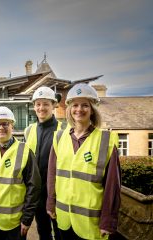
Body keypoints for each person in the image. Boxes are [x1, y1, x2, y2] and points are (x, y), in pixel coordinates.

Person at [46, 83, 121, 240]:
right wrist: (50, 203)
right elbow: (52, 175)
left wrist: (108, 220)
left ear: (92, 110)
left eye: (85, 105)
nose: (79, 109)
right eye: (75, 105)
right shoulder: (59, 138)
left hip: (90, 222)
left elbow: (112, 185)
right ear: (69, 109)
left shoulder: (106, 141)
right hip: (64, 218)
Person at [0, 106, 41, 240]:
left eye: (5, 124)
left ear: (12, 126)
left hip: (14, 222)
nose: (1, 128)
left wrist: (27, 219)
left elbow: (34, 187)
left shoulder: (24, 151)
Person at [24, 86, 64, 240]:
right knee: (43, 232)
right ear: (34, 106)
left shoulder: (64, 130)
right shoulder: (29, 130)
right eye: (38, 104)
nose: (41, 108)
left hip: (58, 194)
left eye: (46, 104)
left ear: (54, 105)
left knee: (60, 233)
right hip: (38, 196)